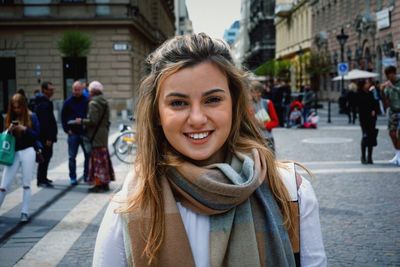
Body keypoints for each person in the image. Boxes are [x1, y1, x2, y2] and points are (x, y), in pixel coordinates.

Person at [92, 33, 326, 266]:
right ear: (157, 114)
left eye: (212, 99)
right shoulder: (127, 205)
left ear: (235, 105)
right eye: (178, 103)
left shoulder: (289, 191)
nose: (196, 118)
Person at [0, 94, 40, 222]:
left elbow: (37, 135)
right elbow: (3, 136)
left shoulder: (32, 116)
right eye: (14, 107)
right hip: (13, 151)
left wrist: (25, 129)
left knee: (26, 183)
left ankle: (25, 212)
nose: (17, 110)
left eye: (19, 107)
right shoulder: (8, 117)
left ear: (23, 105)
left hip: (28, 150)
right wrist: (9, 130)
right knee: (4, 184)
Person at [75, 81, 115, 193]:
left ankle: (98, 184)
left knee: (97, 161)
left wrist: (81, 121)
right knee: (103, 160)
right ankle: (105, 183)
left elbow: (93, 120)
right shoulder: (104, 102)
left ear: (92, 91)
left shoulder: (93, 103)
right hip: (103, 134)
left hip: (96, 135)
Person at [61, 81, 90, 185]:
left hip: (84, 132)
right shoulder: (68, 102)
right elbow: (63, 117)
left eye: (78, 90)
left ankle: (87, 175)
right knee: (72, 157)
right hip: (72, 133)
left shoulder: (87, 101)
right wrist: (66, 129)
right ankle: (72, 177)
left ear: (82, 90)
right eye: (74, 89)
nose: (76, 92)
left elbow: (89, 116)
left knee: (88, 155)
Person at [35, 81, 57, 188]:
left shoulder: (45, 102)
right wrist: (49, 138)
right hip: (45, 137)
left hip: (47, 136)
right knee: (44, 157)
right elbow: (45, 123)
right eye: (50, 90)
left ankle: (43, 177)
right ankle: (41, 179)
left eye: (53, 89)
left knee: (46, 157)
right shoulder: (43, 104)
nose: (52, 92)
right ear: (44, 90)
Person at [249, 80, 279, 152]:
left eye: (252, 91)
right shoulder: (247, 105)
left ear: (259, 93)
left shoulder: (267, 103)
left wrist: (265, 126)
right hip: (253, 139)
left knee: (270, 161)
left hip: (267, 138)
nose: (250, 93)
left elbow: (275, 122)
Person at [380, 66, 400, 165]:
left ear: (394, 73)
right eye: (387, 75)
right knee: (392, 133)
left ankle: (399, 156)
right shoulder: (388, 84)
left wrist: (393, 87)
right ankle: (397, 154)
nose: (388, 77)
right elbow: (386, 101)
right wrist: (382, 91)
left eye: (389, 75)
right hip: (393, 111)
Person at [357, 79, 380, 164]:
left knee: (371, 137)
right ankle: (363, 156)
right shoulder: (359, 94)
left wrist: (374, 110)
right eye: (366, 83)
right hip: (364, 119)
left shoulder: (371, 93)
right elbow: (359, 106)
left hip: (372, 119)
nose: (368, 84)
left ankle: (370, 157)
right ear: (362, 85)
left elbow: (376, 103)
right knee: (365, 136)